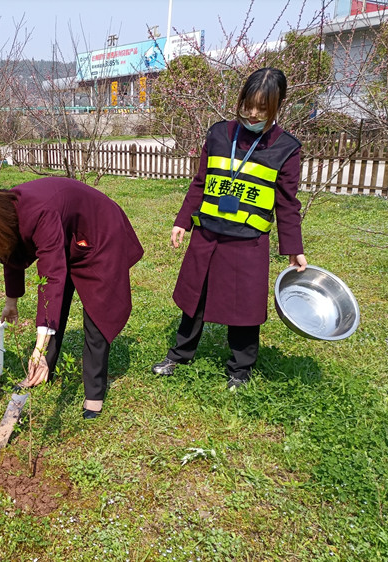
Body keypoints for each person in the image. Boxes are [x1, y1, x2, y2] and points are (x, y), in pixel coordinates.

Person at [151, 67, 307, 389]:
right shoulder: (219, 134)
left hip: (247, 242)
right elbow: (199, 183)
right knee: (194, 297)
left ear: (277, 107)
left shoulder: (286, 148)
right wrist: (182, 221)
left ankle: (240, 369)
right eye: (247, 106)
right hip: (208, 233)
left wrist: (294, 249)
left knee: (245, 308)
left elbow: (288, 203)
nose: (252, 114)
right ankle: (179, 354)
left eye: (261, 110)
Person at [0, 178, 144, 419]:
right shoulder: (7, 214)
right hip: (67, 236)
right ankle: (42, 369)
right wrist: (11, 301)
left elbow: (52, 278)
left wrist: (38, 346)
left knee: (97, 312)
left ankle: (94, 393)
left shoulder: (39, 212)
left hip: (99, 231)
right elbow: (10, 254)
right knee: (54, 308)